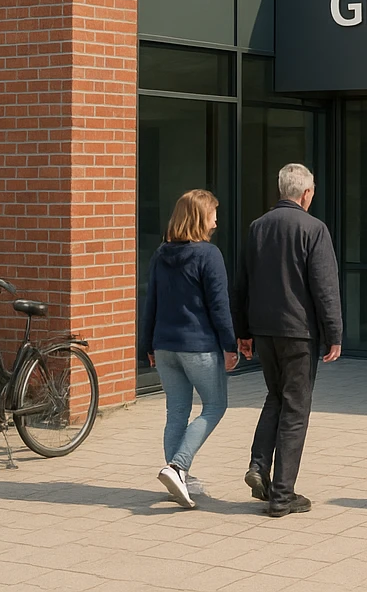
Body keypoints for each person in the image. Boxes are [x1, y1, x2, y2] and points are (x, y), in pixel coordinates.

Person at [232, 163, 342, 518]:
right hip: (299, 332)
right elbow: (325, 287)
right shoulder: (314, 229)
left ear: (282, 190)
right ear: (306, 193)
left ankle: (258, 465)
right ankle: (282, 495)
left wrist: (243, 331)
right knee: (296, 407)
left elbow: (242, 284)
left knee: (276, 397)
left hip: (263, 330)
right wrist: (334, 333)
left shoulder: (257, 227)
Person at [137, 189, 238, 510]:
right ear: (199, 218)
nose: (216, 220)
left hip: (165, 346)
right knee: (215, 406)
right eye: (212, 214)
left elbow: (149, 302)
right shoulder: (209, 255)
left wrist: (146, 346)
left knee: (177, 412)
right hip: (199, 346)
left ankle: (177, 478)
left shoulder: (160, 254)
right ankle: (178, 467)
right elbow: (219, 306)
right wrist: (230, 345)